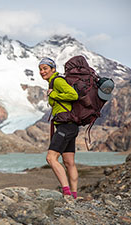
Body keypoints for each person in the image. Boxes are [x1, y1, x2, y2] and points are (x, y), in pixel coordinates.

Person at [38, 57, 79, 200]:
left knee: (51, 158)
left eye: (45, 68)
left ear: (53, 69)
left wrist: (52, 94)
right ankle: (74, 195)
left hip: (66, 126)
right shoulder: (53, 82)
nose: (42, 71)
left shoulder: (57, 81)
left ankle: (66, 192)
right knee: (69, 162)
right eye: (40, 69)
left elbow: (73, 95)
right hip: (69, 126)